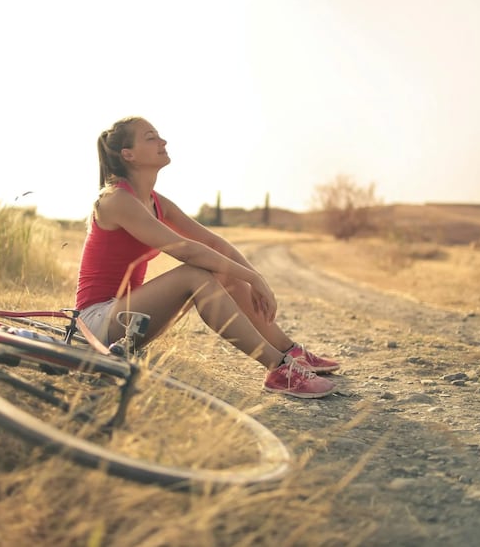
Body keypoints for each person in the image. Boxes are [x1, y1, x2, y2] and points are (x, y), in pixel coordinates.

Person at [75, 116, 339, 399]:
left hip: (129, 321)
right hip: (95, 324)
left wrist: (253, 278)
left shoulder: (155, 201)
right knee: (195, 273)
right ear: (128, 155)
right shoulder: (116, 200)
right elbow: (186, 249)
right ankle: (278, 368)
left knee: (224, 271)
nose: (162, 142)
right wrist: (252, 277)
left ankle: (290, 352)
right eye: (151, 137)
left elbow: (212, 242)